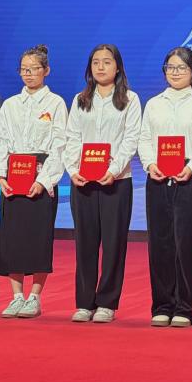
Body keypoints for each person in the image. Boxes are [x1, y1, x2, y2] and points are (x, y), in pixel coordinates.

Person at [137, 46, 192, 327]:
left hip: (191, 177)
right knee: (160, 243)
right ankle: (162, 305)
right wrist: (150, 164)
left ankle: (186, 307)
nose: (175, 73)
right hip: (158, 177)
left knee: (188, 243)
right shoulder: (154, 104)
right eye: (170, 67)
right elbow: (144, 139)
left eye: (181, 68)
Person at [0, 44, 67, 319]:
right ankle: (16, 296)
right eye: (24, 69)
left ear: (46, 70)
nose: (28, 74)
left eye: (34, 69)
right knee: (12, 237)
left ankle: (35, 296)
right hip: (14, 176)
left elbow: (59, 144)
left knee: (39, 238)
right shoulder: (10, 104)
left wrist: (44, 180)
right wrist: (0, 175)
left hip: (40, 176)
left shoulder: (55, 103)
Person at [63, 44, 141, 324]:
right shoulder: (80, 99)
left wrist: (113, 169)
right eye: (95, 62)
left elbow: (131, 138)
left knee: (113, 243)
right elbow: (71, 137)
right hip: (83, 181)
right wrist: (73, 170)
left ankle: (107, 302)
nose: (100, 67)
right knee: (85, 243)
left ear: (117, 67)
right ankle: (84, 302)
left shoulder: (130, 99)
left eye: (107, 62)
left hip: (116, 182)